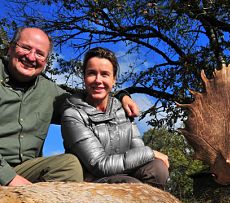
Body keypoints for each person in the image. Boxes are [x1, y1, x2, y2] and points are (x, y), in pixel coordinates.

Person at [0, 27, 139, 186]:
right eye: (25, 47)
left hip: (25, 169)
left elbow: (90, 99)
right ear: (11, 48)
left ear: (45, 61)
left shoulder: (50, 91)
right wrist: (10, 179)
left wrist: (121, 96)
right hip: (4, 170)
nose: (31, 57)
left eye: (39, 53)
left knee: (70, 165)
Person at [61, 47, 169, 189]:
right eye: (92, 73)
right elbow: (100, 165)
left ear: (114, 80)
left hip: (124, 173)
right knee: (131, 185)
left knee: (158, 169)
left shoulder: (123, 109)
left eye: (105, 74)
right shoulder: (73, 115)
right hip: (92, 181)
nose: (98, 80)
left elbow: (137, 149)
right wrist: (150, 152)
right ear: (84, 77)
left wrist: (146, 155)